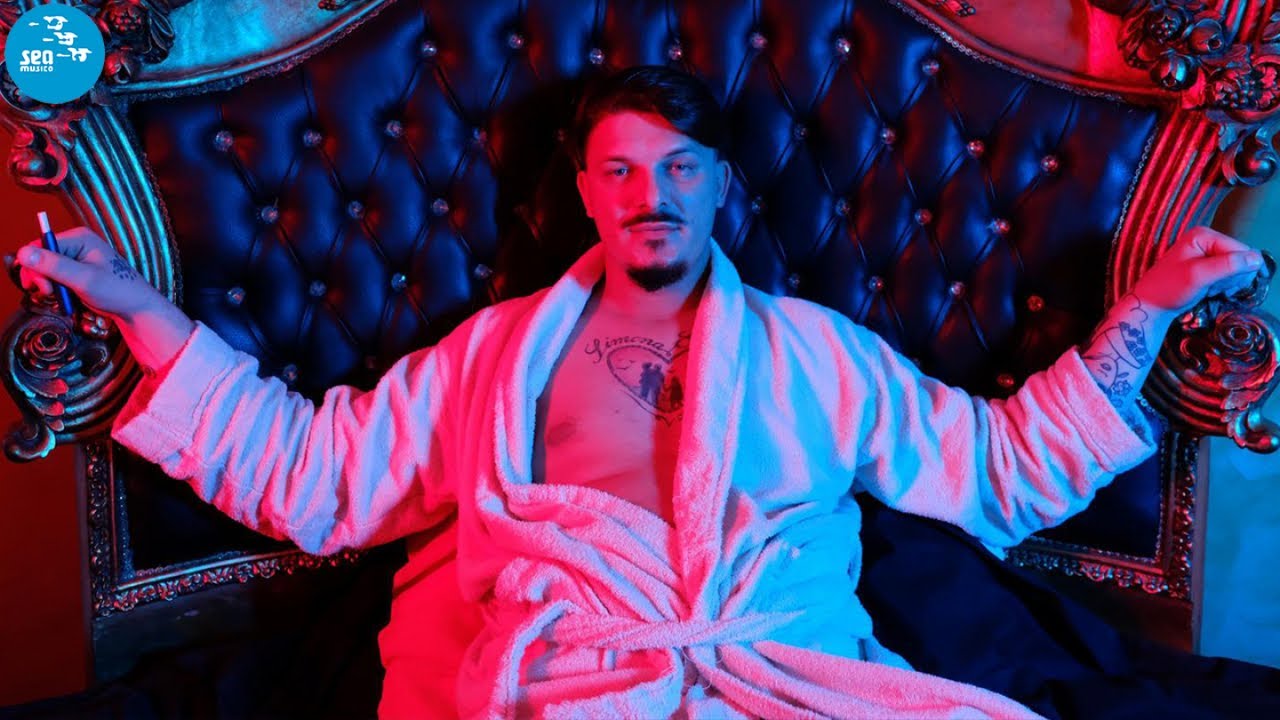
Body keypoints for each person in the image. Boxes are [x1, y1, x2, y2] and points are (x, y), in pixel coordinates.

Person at [8, 66, 1268, 718]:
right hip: (565, 683)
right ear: (586, 194)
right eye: (618, 171)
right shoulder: (493, 354)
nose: (648, 194)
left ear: (717, 184)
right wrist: (138, 308)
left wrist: (1146, 311)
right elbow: (314, 477)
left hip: (780, 679)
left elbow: (1000, 469)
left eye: (676, 168)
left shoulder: (813, 353)